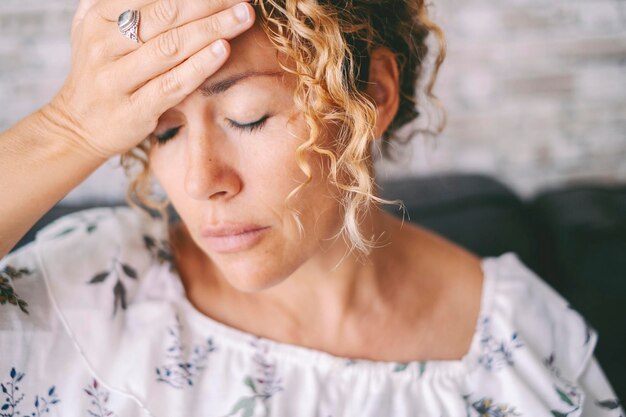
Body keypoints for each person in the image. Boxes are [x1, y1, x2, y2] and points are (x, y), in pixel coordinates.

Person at [0, 0, 622, 415]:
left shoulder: (523, 352)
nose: (200, 181)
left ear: (370, 96)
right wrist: (65, 130)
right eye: (163, 132)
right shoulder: (81, 294)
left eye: (249, 117)